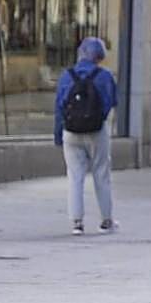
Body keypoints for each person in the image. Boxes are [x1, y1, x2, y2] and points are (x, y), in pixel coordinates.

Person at [54, 37, 118, 235]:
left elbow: (59, 108)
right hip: (96, 132)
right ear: (99, 56)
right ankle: (106, 221)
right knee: (101, 174)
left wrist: (58, 135)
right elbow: (111, 103)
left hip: (71, 132)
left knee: (75, 176)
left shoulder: (66, 76)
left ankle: (77, 223)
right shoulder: (104, 76)